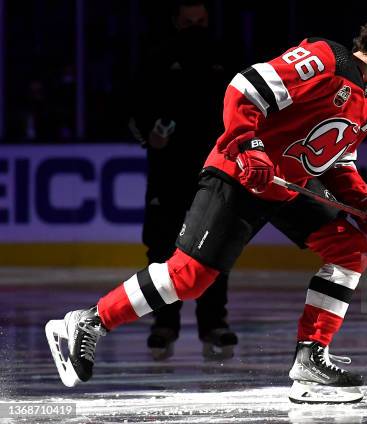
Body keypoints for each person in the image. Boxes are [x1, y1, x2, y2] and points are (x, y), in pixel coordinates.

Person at [45, 15, 367, 403]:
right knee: (190, 277)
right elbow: (244, 88)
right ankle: (88, 321)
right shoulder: (326, 59)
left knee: (350, 249)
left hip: (285, 185)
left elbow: (337, 162)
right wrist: (249, 147)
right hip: (240, 173)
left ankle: (310, 359)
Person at [129, 0, 237, 360]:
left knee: (214, 247)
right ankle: (164, 324)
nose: (196, 27)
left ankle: (214, 325)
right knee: (161, 249)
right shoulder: (156, 57)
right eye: (189, 21)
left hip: (215, 171)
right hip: (168, 173)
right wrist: (148, 135)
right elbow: (132, 108)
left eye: (202, 21)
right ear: (176, 21)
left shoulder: (226, 57)